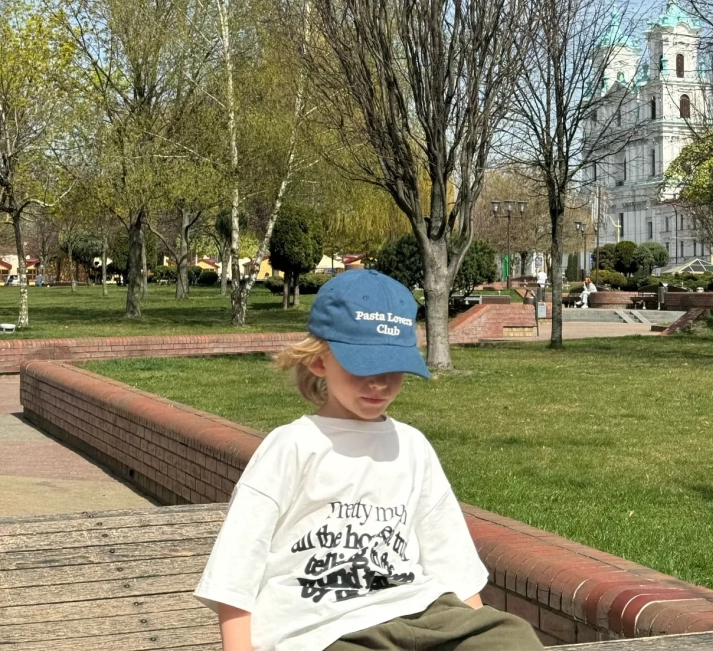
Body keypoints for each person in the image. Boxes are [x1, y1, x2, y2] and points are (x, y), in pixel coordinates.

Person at [194, 269, 543, 651]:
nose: (379, 383)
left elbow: (451, 559)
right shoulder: (292, 446)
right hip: (322, 627)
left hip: (416, 609)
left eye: (393, 367)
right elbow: (237, 567)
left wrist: (472, 631)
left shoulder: (412, 447)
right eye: (362, 365)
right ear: (318, 360)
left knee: (513, 637)